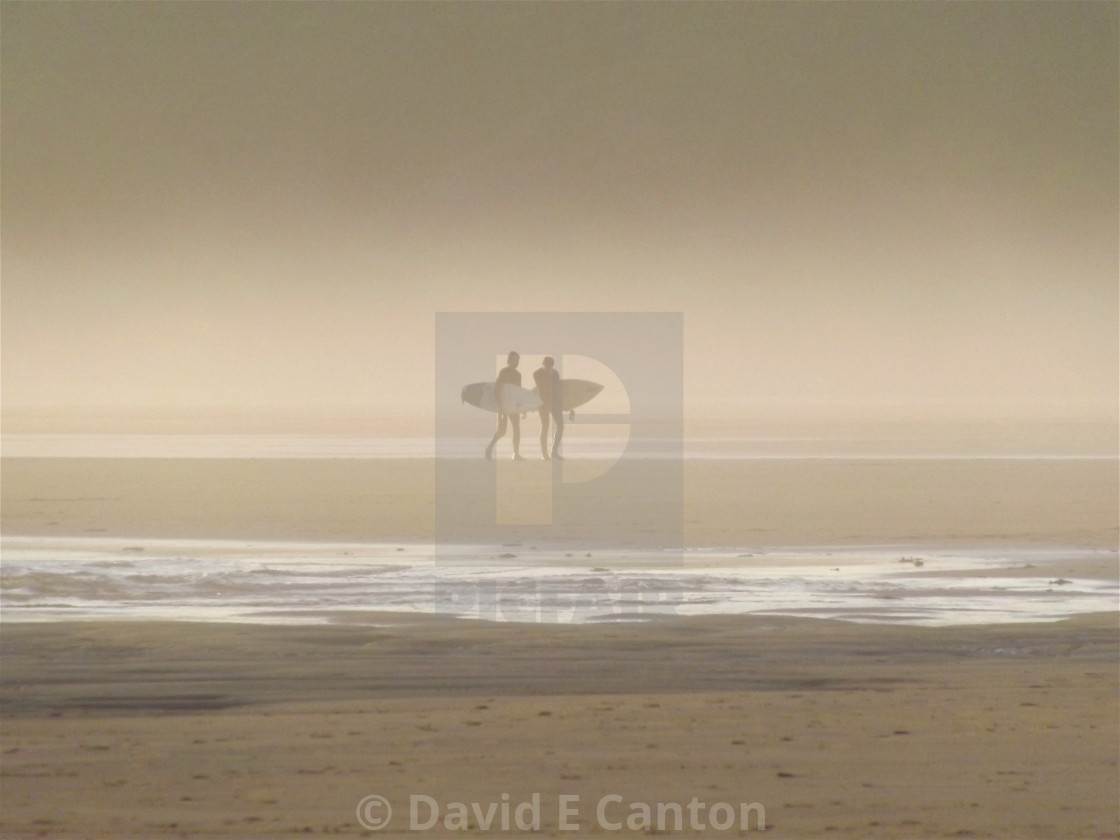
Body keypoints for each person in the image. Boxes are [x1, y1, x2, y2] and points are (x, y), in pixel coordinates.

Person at [485, 351, 523, 460]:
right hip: (503, 405)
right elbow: (497, 389)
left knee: (516, 429)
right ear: (509, 360)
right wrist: (499, 407)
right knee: (502, 430)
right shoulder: (503, 372)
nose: (517, 362)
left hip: (513, 406)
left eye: (518, 360)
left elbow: (518, 392)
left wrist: (523, 408)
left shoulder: (518, 375)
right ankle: (489, 447)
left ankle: (515, 453)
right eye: (515, 360)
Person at [533, 356, 563, 460]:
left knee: (560, 425)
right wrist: (548, 374)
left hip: (555, 403)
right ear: (543, 364)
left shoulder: (555, 373)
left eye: (550, 366)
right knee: (545, 426)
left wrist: (568, 404)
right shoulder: (537, 373)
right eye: (546, 365)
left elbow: (558, 388)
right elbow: (542, 387)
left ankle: (554, 452)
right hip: (543, 403)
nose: (548, 367)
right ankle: (544, 454)